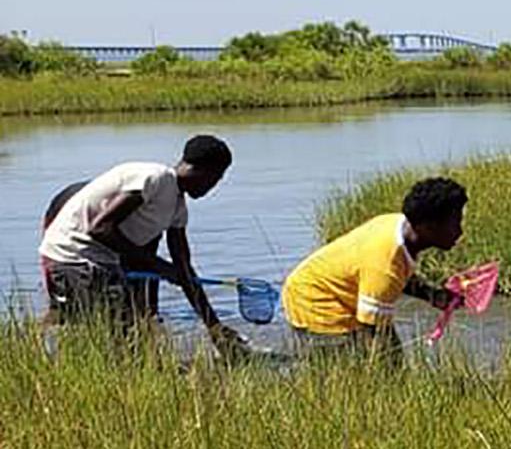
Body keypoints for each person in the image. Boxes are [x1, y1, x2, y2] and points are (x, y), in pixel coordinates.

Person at [38, 135, 242, 351]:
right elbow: (100, 228)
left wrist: (214, 326)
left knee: (131, 328)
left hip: (101, 260)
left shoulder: (177, 207)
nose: (214, 186)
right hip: (74, 255)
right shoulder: (155, 178)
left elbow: (184, 269)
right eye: (217, 178)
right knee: (118, 333)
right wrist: (160, 267)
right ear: (204, 170)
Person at [281, 177, 468, 363]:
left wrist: (432, 295)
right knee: (347, 370)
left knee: (383, 356)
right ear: (428, 226)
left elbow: (398, 274)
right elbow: (374, 331)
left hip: (335, 287)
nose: (460, 232)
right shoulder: (384, 264)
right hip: (314, 300)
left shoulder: (399, 227)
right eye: (455, 223)